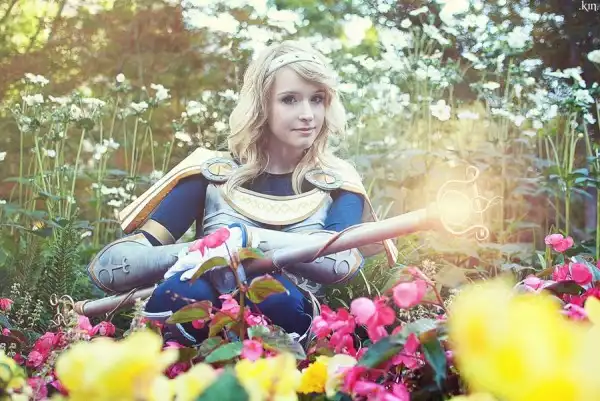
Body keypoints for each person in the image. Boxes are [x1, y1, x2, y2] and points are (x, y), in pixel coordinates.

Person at [87, 40, 398, 346]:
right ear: (261, 104)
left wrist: (247, 239)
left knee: (272, 294)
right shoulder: (210, 174)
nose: (308, 114)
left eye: (317, 99)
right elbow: (111, 268)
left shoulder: (337, 181)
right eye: (290, 99)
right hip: (200, 331)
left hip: (292, 327)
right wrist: (205, 251)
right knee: (183, 292)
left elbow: (340, 261)